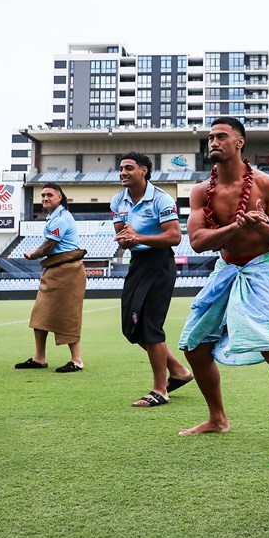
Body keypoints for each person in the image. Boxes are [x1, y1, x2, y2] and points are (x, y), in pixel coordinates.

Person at [178, 116, 269, 458]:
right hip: (225, 269)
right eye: (211, 137)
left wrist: (261, 228)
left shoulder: (266, 185)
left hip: (260, 270)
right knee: (194, 345)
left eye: (222, 136)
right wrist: (236, 227)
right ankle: (217, 418)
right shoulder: (201, 192)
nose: (214, 142)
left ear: (240, 142)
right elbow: (197, 241)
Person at [111, 152, 194, 407]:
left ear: (144, 170)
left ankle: (160, 390)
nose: (123, 172)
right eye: (121, 168)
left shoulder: (161, 199)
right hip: (138, 264)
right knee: (131, 328)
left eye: (129, 168)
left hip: (160, 263)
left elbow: (174, 237)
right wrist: (127, 239)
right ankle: (179, 371)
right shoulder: (118, 200)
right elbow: (123, 237)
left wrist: (140, 238)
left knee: (150, 326)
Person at [15, 183, 87, 373]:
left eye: (49, 195)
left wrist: (33, 254)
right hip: (55, 269)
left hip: (68, 271)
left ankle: (77, 360)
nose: (45, 198)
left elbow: (47, 247)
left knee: (68, 315)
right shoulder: (54, 217)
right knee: (40, 313)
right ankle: (39, 358)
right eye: (43, 195)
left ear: (60, 198)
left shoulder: (61, 219)